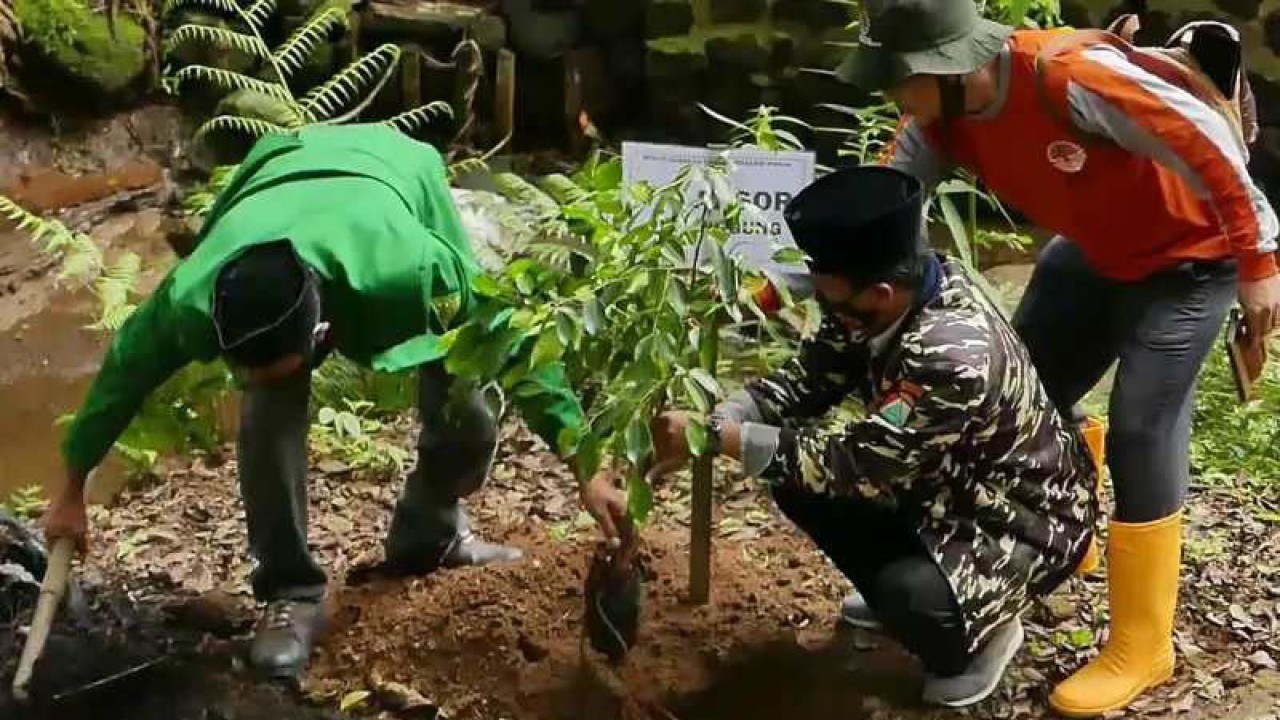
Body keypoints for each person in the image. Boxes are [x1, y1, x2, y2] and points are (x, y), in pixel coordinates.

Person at [833, 1, 1280, 716]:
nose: (894, 97)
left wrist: (1259, 262)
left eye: (901, 80)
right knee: (1017, 395)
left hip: (1191, 263)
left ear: (954, 68)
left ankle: (1143, 642)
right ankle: (1061, 541)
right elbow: (884, 211)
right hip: (1096, 251)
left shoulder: (1072, 79)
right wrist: (785, 284)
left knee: (1142, 428)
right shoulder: (937, 120)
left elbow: (1203, 140)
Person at [41, 124, 604, 681]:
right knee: (266, 418)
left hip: (393, 172)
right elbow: (122, 375)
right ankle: (289, 589)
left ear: (320, 333)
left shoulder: (411, 270)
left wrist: (587, 463)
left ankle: (432, 531)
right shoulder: (194, 298)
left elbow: (512, 338)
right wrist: (70, 489)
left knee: (465, 403)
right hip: (280, 172)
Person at [614, 164, 1097, 708]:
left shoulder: (950, 356)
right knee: (791, 475)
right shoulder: (889, 296)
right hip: (938, 478)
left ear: (883, 292)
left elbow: (854, 467)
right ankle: (912, 595)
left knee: (906, 589)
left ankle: (974, 638)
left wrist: (718, 438)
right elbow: (812, 375)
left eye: (832, 300)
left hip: (1020, 522)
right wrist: (721, 419)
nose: (825, 309)